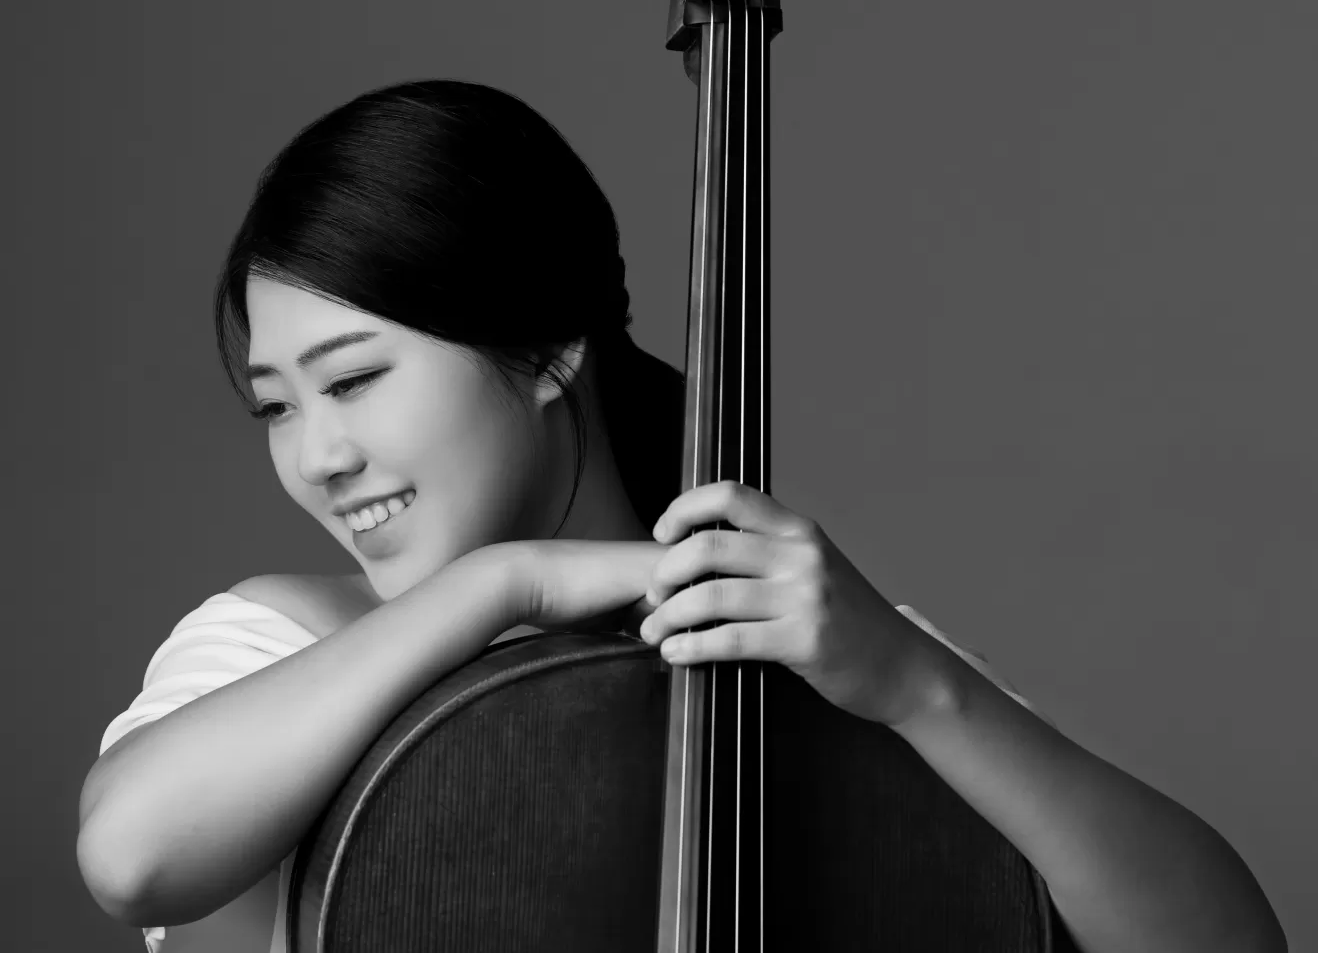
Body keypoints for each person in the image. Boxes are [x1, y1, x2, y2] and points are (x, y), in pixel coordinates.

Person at [75, 80, 1286, 953]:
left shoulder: (811, 649)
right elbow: (135, 859)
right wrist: (510, 587)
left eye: (353, 378)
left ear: (548, 344)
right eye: (275, 407)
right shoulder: (271, 644)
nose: (318, 456)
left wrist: (921, 688)